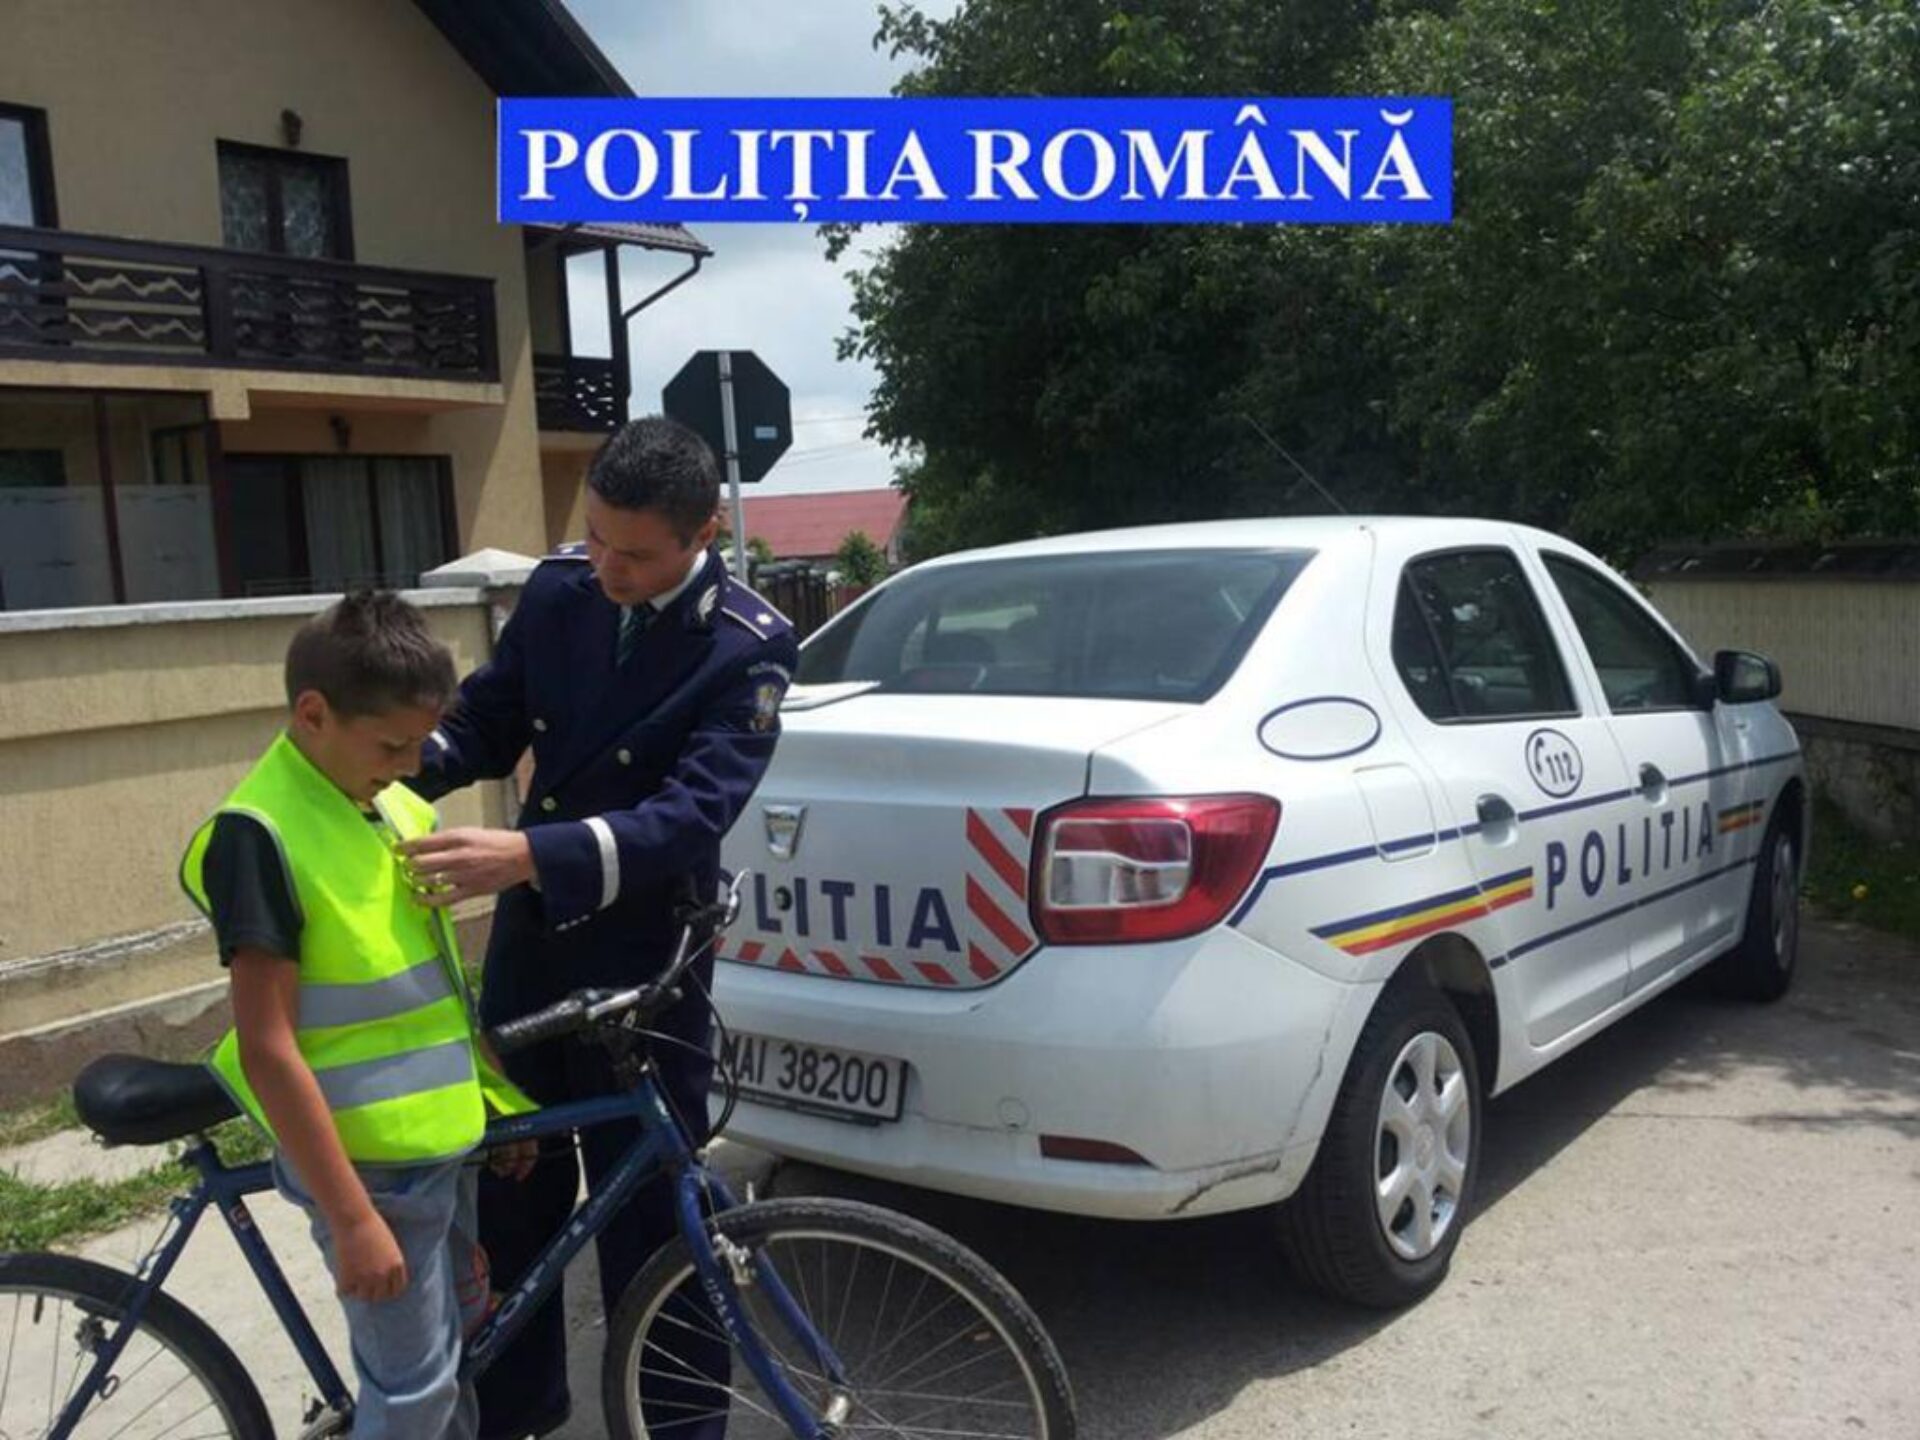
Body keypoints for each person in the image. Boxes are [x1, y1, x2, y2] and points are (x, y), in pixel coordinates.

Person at [399, 415, 799, 1439]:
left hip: (647, 963)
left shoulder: (745, 644)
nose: (610, 568)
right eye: (596, 538)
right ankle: (520, 1416)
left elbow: (690, 815)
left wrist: (528, 853)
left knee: (656, 1223)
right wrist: (387, 766)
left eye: (636, 554)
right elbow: (487, 719)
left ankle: (676, 1429)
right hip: (535, 949)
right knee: (514, 1196)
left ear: (705, 532)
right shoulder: (559, 590)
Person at [180, 591, 536, 1440]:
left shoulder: (393, 806)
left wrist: (494, 1096)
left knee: (453, 1368)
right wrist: (349, 1218)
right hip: (368, 1169)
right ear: (313, 714)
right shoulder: (259, 834)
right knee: (412, 1398)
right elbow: (268, 1048)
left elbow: (429, 986)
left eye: (421, 742)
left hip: (436, 1148)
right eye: (393, 745)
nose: (413, 765)